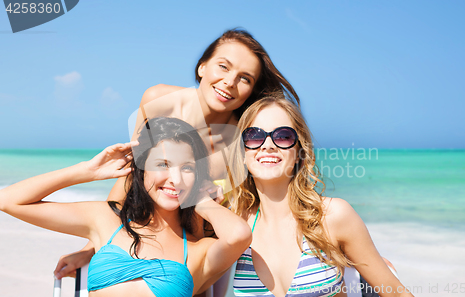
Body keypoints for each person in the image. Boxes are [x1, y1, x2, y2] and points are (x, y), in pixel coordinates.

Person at [54, 28, 301, 280]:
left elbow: (258, 197)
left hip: (197, 252)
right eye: (223, 67)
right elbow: (131, 177)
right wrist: (91, 248)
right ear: (202, 67)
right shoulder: (160, 101)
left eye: (245, 78)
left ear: (251, 90)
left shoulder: (245, 137)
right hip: (142, 235)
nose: (230, 82)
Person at [0, 117, 252, 297]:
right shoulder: (106, 220)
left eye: (186, 168)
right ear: (141, 171)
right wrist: (86, 171)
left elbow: (239, 235)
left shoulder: (198, 250)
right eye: (162, 164)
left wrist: (203, 201)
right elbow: (8, 200)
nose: (175, 179)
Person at [228, 93, 415, 297]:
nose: (268, 145)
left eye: (283, 136)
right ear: (242, 153)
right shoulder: (234, 226)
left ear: (300, 151)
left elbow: (396, 293)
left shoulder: (331, 216)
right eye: (254, 136)